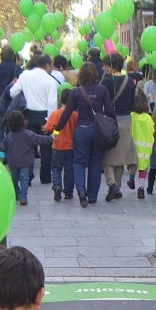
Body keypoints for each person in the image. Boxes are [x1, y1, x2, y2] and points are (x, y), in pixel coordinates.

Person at [54, 61, 116, 207]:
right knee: (95, 163)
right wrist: (114, 127)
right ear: (95, 74)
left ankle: (81, 190)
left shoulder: (76, 92)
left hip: (81, 129)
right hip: (98, 130)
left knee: (79, 162)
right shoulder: (102, 90)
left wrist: (57, 129)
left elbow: (66, 113)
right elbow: (110, 110)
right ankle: (93, 196)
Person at [9, 54, 58, 184]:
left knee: (28, 144)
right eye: (52, 64)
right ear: (47, 65)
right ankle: (45, 177)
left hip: (27, 114)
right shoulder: (50, 81)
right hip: (44, 115)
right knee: (46, 146)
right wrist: (49, 122)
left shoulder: (25, 75)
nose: (53, 67)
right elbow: (52, 103)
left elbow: (13, 92)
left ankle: (28, 176)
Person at [101, 53, 137, 202]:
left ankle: (111, 184)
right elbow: (132, 104)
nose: (104, 68)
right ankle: (118, 186)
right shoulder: (129, 82)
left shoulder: (106, 82)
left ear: (111, 66)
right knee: (121, 157)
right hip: (126, 120)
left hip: (110, 121)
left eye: (106, 66)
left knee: (108, 156)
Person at [1, 110, 53, 206]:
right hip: (25, 161)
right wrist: (51, 138)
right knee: (24, 179)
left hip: (13, 161)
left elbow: (4, 146)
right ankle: (23, 197)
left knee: (14, 178)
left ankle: (16, 194)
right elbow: (39, 139)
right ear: (22, 121)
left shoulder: (9, 135)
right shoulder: (27, 134)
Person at [44, 88, 77, 202]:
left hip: (57, 146)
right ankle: (68, 191)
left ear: (60, 100)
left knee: (56, 168)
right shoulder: (74, 114)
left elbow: (48, 127)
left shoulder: (55, 114)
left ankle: (57, 186)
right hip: (71, 146)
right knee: (69, 169)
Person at [130, 89, 154, 199]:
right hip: (145, 149)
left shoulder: (132, 116)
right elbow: (152, 131)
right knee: (143, 169)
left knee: (133, 165)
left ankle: (131, 180)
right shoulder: (148, 118)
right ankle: (141, 189)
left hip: (133, 147)